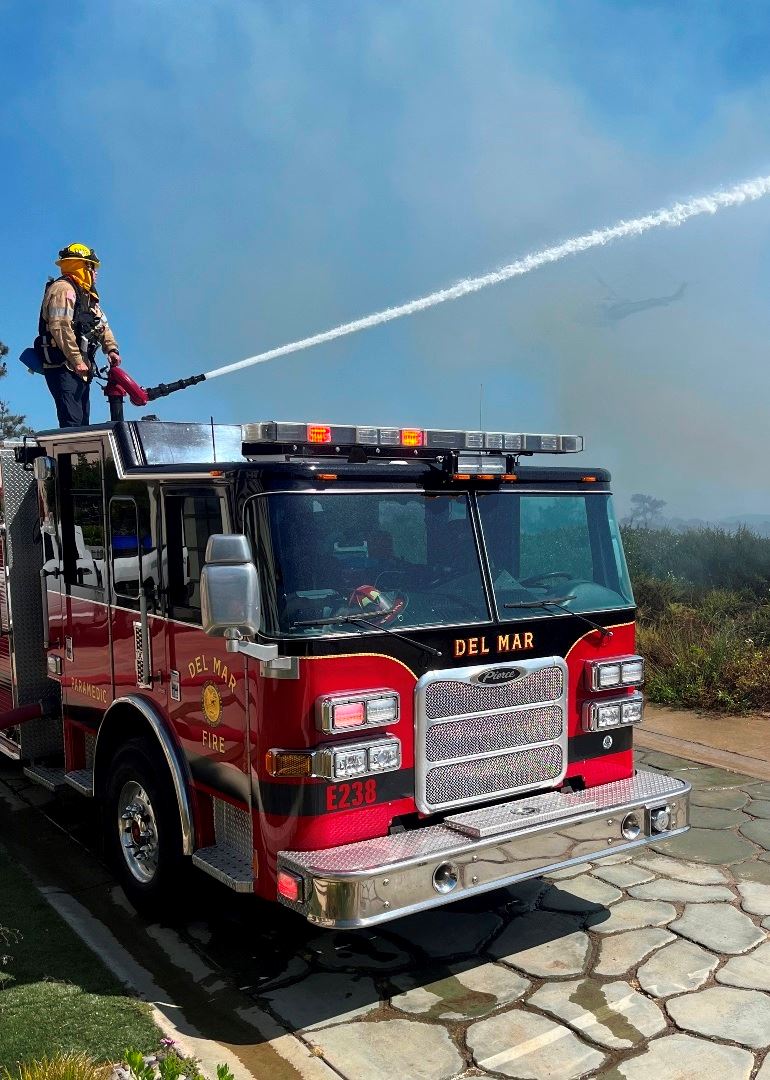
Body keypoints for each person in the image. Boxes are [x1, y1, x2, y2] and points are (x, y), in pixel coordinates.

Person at [38, 243, 121, 427]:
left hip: (80, 368)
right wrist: (77, 360)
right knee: (72, 424)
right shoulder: (63, 290)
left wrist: (111, 349)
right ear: (83, 267)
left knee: (82, 424)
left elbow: (102, 325)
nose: (96, 273)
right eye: (93, 267)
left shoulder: (87, 296)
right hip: (63, 366)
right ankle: (70, 456)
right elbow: (60, 327)